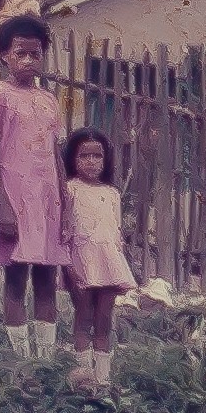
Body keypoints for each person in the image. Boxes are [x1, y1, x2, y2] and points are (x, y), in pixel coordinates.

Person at [0, 14, 71, 359]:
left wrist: (65, 198)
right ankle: (20, 356)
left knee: (47, 274)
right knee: (16, 275)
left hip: (48, 200)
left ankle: (44, 355)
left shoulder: (48, 100)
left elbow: (56, 154)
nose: (29, 61)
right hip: (14, 199)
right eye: (21, 54)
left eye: (35, 54)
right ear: (4, 55)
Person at [62, 128, 135, 387]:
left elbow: (115, 231)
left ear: (105, 160)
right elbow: (66, 231)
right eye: (84, 155)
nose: (91, 161)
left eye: (97, 156)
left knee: (104, 318)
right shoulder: (69, 189)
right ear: (73, 158)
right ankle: (83, 376)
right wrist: (69, 267)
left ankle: (103, 379)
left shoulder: (112, 193)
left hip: (109, 262)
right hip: (82, 260)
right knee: (84, 316)